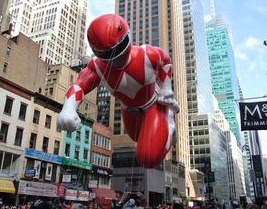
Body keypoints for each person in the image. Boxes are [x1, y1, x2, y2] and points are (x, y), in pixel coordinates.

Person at [57, 13, 180, 168]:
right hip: (129, 111)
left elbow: (165, 59)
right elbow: (79, 84)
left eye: (119, 49)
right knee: (137, 138)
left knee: (148, 156)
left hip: (154, 105)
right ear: (98, 54)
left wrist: (166, 89)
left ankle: (168, 124)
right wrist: (68, 108)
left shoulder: (146, 55)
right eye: (108, 54)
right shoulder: (97, 67)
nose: (116, 58)